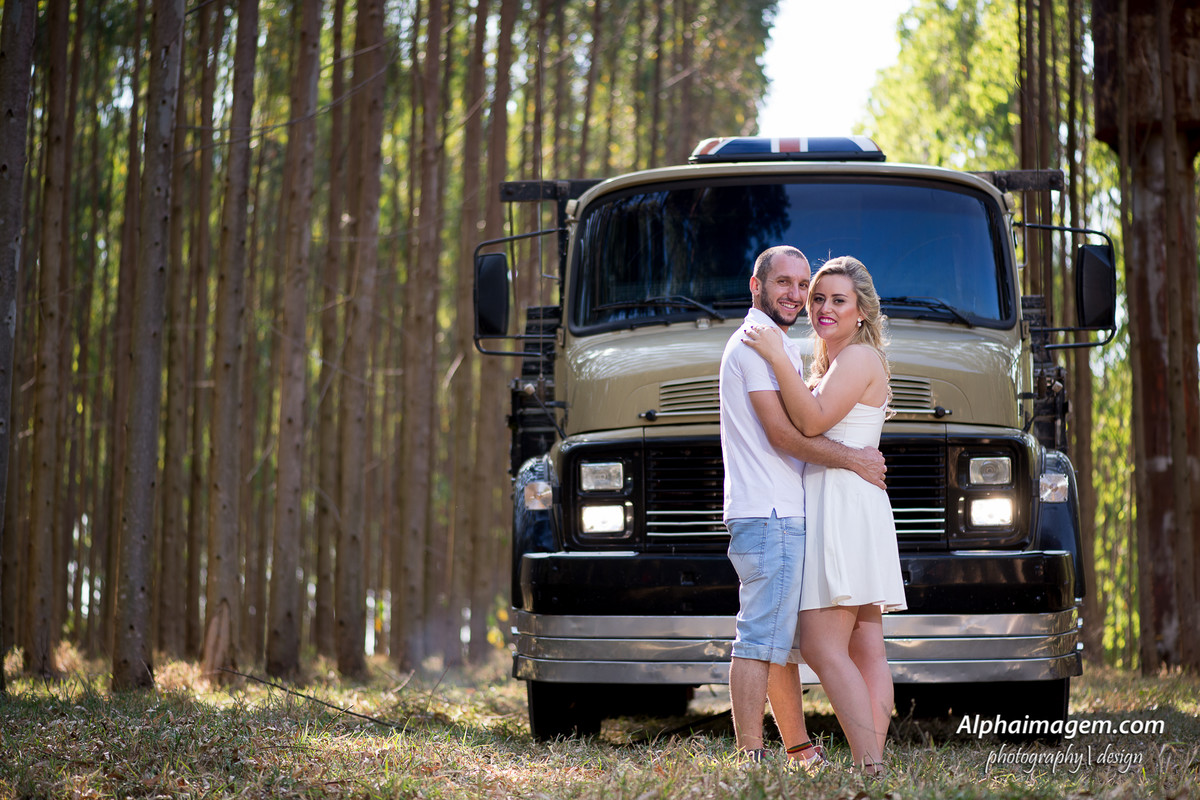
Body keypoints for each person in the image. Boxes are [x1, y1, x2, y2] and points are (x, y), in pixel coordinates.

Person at [719, 246, 887, 765]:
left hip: (819, 512)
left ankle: (828, 755)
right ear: (757, 286)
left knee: (796, 643)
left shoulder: (809, 353)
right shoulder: (759, 345)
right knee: (770, 639)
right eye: (792, 287)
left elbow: (805, 422)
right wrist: (855, 459)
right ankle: (760, 755)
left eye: (805, 288)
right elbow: (789, 433)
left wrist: (855, 461)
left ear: (862, 309)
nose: (803, 299)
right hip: (777, 512)